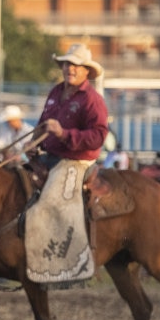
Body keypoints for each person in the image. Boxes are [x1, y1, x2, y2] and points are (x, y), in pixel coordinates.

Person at [26, 43, 109, 285]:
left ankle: (67, 267)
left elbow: (99, 136)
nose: (69, 68)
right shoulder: (55, 92)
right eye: (66, 63)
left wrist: (64, 134)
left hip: (77, 160)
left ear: (86, 71)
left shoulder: (92, 100)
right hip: (49, 155)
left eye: (75, 65)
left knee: (51, 203)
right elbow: (43, 123)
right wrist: (32, 143)